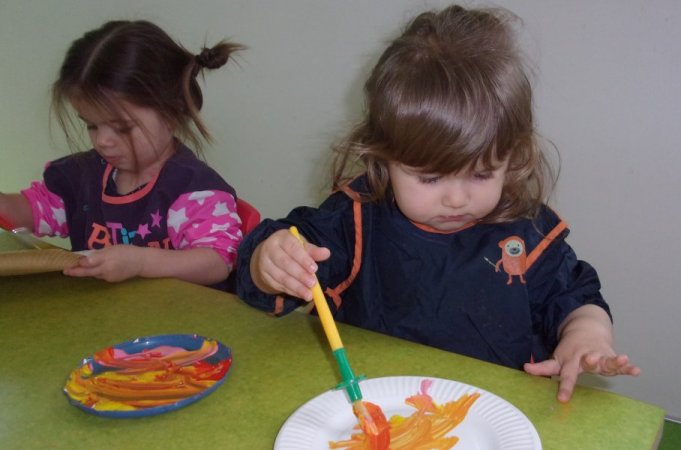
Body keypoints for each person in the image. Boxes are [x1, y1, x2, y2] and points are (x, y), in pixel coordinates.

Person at [235, 5, 639, 401]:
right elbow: (275, 259)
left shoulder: (528, 232)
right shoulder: (356, 218)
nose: (457, 197)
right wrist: (270, 262)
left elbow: (576, 297)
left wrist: (587, 334)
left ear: (512, 159)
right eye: (429, 177)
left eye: (482, 174)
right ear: (382, 156)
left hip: (497, 414)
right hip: (376, 410)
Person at [0, 20, 252, 288]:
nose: (103, 141)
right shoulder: (85, 173)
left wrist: (140, 263)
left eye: (122, 128)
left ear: (173, 113)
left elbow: (217, 261)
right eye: (91, 125)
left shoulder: (194, 188)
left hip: (180, 323)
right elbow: (37, 211)